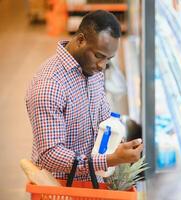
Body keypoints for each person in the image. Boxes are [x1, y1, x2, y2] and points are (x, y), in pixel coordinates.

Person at [25, 10, 143, 181]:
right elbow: (50, 155)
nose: (102, 66)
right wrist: (110, 160)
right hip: (60, 188)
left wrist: (120, 142)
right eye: (98, 56)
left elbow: (102, 116)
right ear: (80, 40)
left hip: (92, 181)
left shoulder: (93, 69)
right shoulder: (49, 85)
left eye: (108, 59)